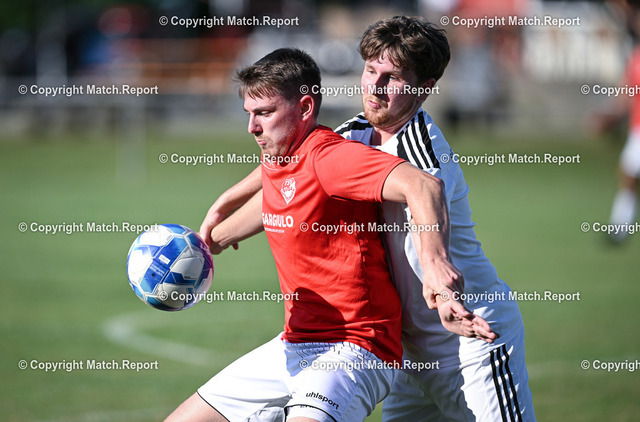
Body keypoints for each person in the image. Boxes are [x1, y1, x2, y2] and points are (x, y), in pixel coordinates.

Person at [201, 17, 535, 421]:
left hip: (468, 337)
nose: (374, 87)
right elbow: (295, 178)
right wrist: (218, 227)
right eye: (370, 70)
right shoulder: (354, 133)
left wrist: (436, 269)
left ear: (424, 87)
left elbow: (426, 190)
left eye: (391, 77)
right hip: (408, 351)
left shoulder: (421, 151)